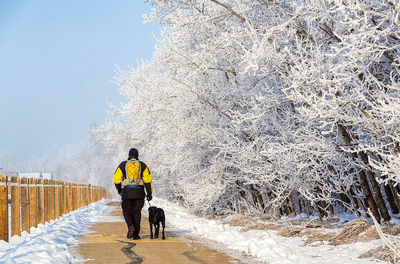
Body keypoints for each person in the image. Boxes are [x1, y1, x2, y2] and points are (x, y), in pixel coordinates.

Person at [113, 148, 153, 239]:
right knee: (137, 212)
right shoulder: (142, 165)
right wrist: (149, 193)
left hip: (127, 192)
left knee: (126, 211)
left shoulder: (123, 165)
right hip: (139, 193)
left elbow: (116, 179)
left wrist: (119, 190)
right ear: (137, 155)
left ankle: (131, 226)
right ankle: (136, 235)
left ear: (129, 155)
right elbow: (148, 180)